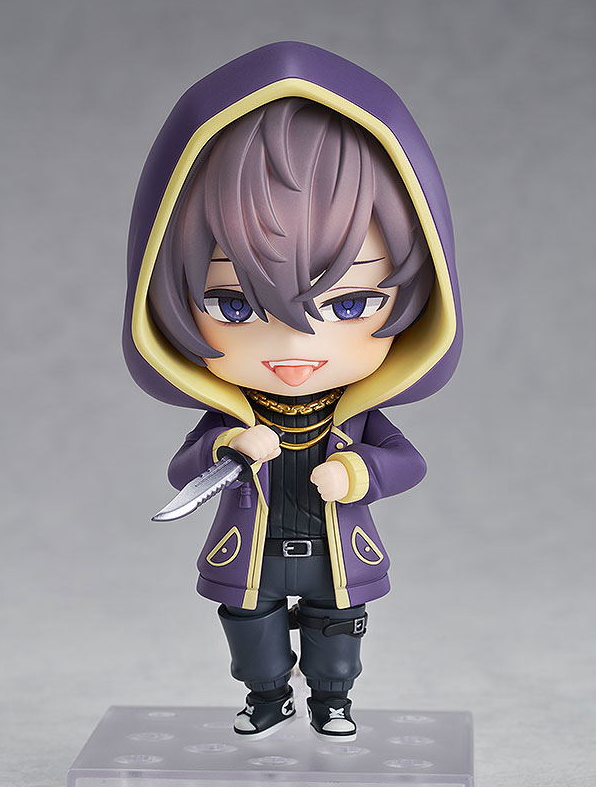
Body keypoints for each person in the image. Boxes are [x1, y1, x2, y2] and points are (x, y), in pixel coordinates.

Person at [123, 42, 462, 742]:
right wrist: (226, 443)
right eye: (235, 305)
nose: (296, 346)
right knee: (251, 628)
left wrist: (359, 472)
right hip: (252, 554)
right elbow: (186, 470)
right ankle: (268, 696)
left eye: (350, 304)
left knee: (338, 631)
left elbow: (408, 462)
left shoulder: (357, 415)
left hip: (336, 553)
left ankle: (332, 701)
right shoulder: (233, 412)